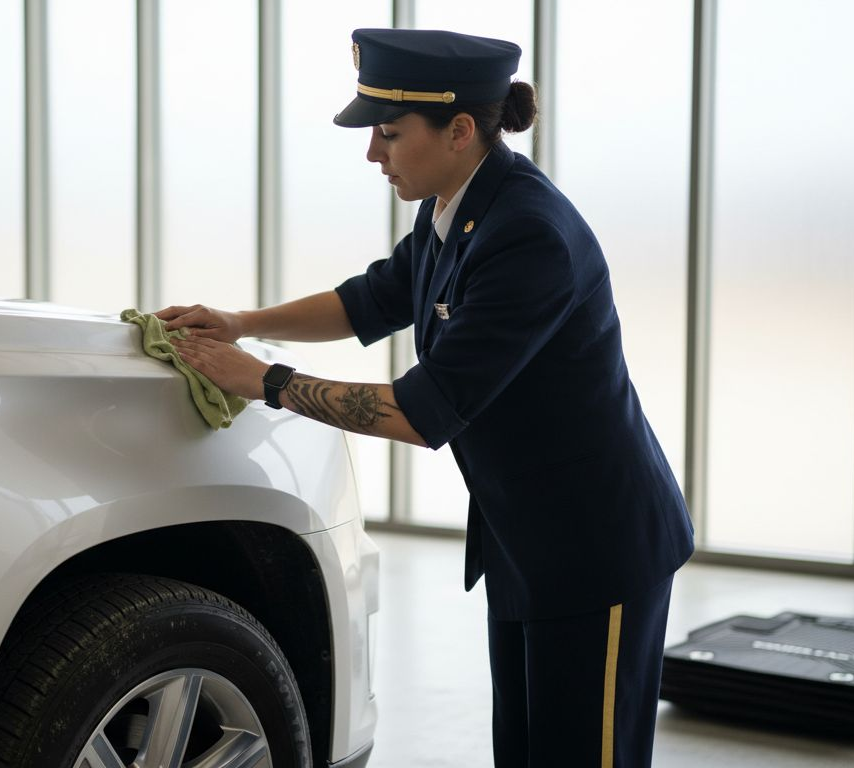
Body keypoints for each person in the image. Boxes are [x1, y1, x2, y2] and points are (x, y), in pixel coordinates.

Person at [158, 27, 694, 767]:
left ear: (461, 129)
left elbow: (422, 411)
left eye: (387, 133)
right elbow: (372, 299)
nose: (373, 154)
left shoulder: (527, 235)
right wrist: (241, 322)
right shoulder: (457, 202)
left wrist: (262, 381)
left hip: (595, 547)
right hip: (527, 537)